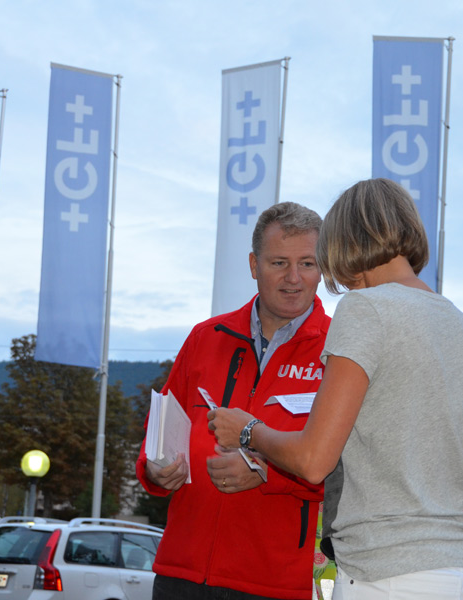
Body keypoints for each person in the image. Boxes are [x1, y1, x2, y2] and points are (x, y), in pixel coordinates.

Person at [209, 178, 463, 600]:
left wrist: (248, 430)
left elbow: (312, 460)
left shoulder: (364, 309)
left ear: (344, 242)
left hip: (387, 573)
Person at [135, 201, 330, 600]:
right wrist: (154, 471)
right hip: (181, 573)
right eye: (279, 263)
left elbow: (351, 469)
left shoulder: (340, 351)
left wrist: (268, 474)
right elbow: (157, 433)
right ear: (253, 265)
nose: (294, 278)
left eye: (307, 263)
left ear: (322, 267)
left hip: (275, 583)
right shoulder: (206, 337)